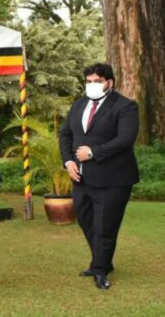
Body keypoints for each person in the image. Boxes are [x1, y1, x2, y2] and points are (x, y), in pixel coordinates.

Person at [59, 63, 139, 290]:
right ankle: (102, 261)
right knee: (86, 222)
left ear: (109, 83)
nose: (92, 85)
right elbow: (65, 134)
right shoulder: (79, 104)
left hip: (113, 180)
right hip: (81, 179)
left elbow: (125, 139)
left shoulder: (125, 106)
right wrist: (68, 161)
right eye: (89, 81)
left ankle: (101, 269)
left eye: (97, 81)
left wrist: (92, 153)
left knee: (105, 226)